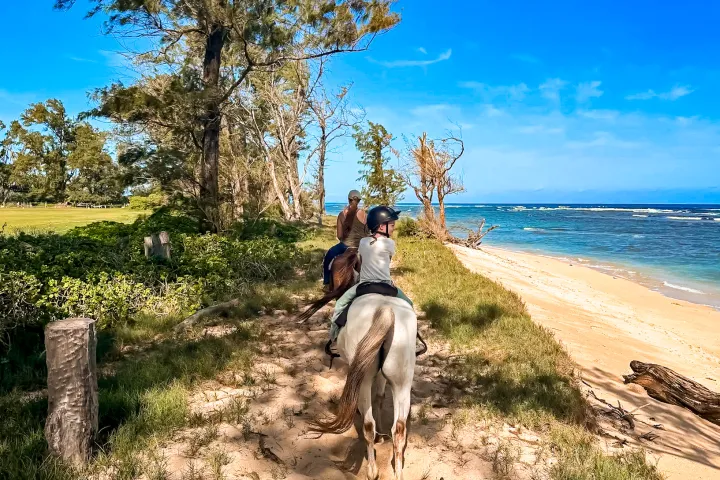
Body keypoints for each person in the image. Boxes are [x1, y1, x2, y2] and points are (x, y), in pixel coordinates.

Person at [329, 205, 413, 342]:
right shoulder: (390, 244)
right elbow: (387, 260)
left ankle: (333, 335)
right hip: (386, 286)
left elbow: (362, 259)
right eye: (391, 225)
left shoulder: (363, 242)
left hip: (364, 285)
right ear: (381, 227)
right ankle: (413, 338)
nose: (393, 228)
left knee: (340, 305)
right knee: (409, 304)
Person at [322, 190, 369, 288]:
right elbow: (367, 233)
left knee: (329, 256)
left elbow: (339, 236)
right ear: (359, 200)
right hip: (361, 246)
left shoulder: (341, 214)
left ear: (348, 200)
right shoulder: (364, 214)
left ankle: (326, 281)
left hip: (345, 245)